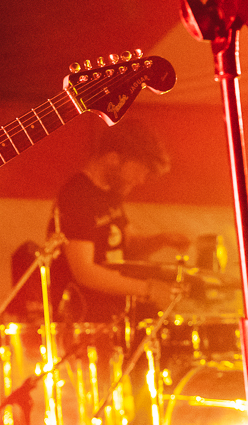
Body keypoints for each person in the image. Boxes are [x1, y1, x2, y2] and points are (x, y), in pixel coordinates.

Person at [49, 118, 188, 325]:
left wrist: (162, 240)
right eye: (139, 169)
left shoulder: (110, 193)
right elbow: (84, 270)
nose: (141, 180)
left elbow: (126, 246)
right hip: (83, 322)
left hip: (111, 317)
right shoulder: (77, 195)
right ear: (114, 159)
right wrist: (148, 289)